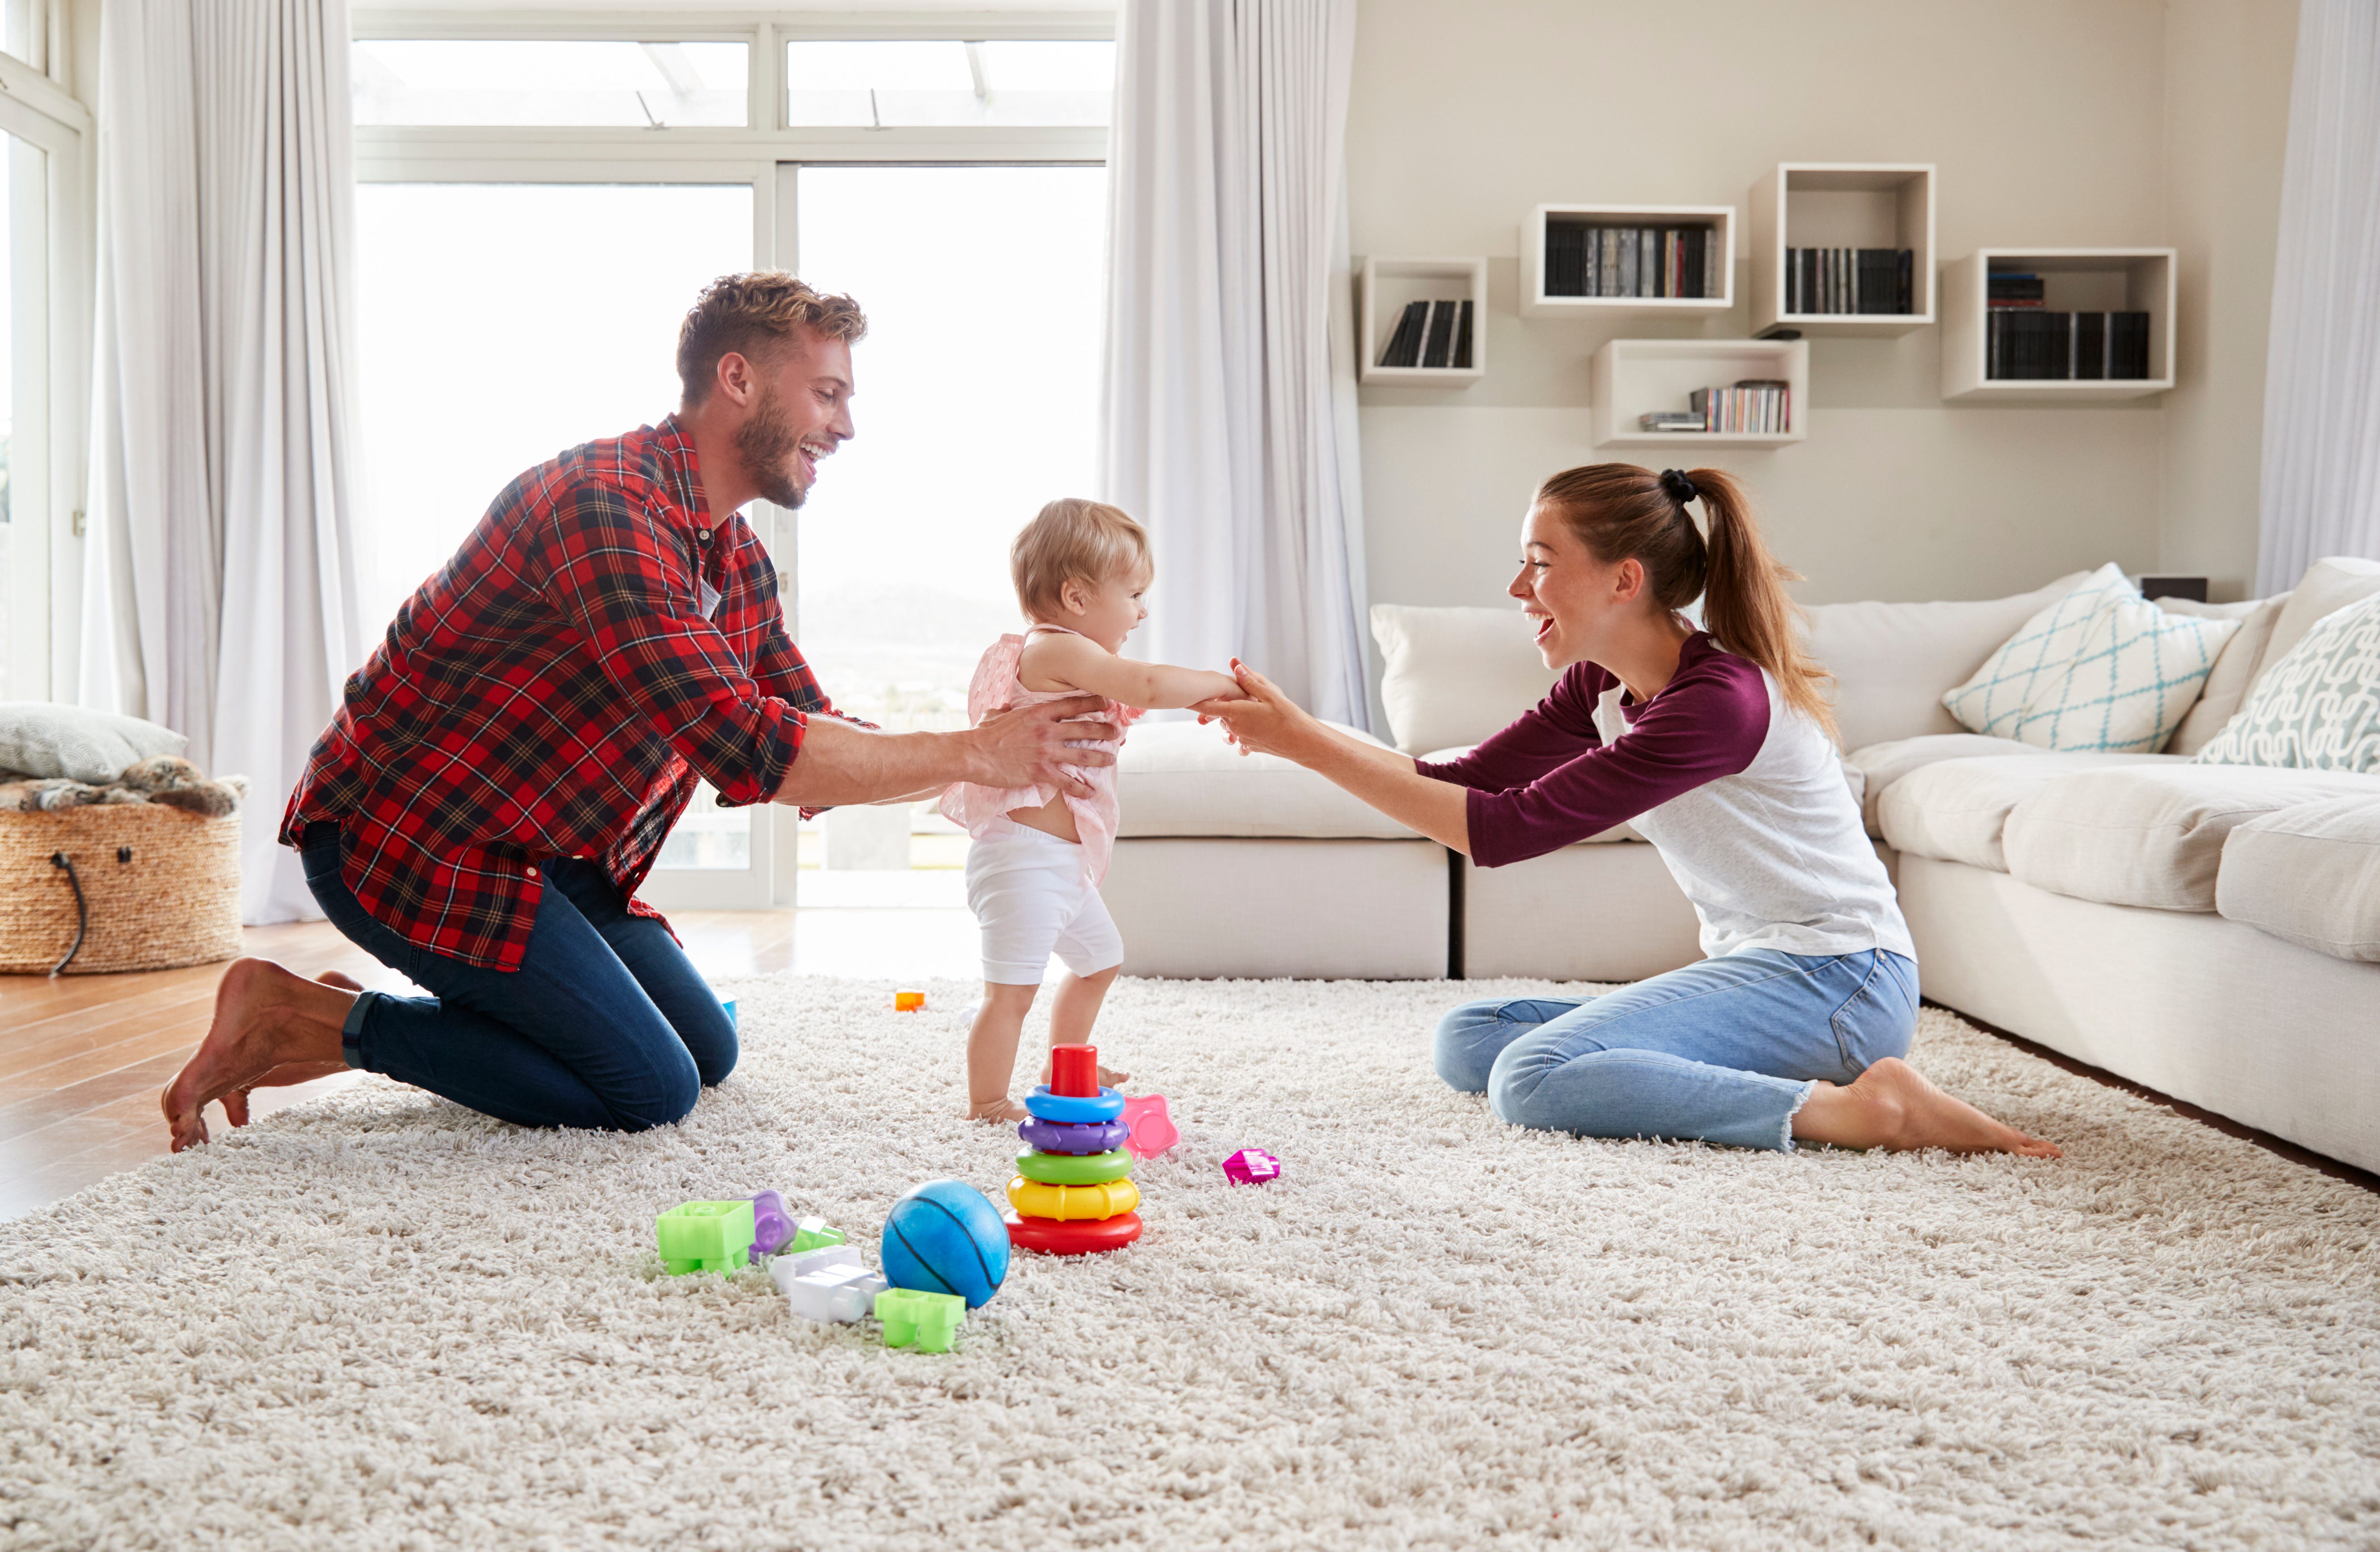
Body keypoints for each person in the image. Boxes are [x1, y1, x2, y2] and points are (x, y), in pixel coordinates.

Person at [158, 273, 1124, 1152]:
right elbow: (755, 753)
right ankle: (323, 1023)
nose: (846, 427)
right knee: (646, 1087)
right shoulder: (604, 508)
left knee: (707, 1052)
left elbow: (811, 726)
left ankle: (444, 1015)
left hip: (551, 858)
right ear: (738, 379)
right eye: (828, 394)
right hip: (410, 842)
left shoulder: (733, 559)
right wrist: (977, 753)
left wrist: (1002, 747)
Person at [1195, 462, 2060, 1159]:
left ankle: (1865, 1112)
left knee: (1532, 1078)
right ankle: (1796, 1083)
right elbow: (1466, 781)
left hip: (1840, 980)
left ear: (1624, 579)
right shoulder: (1604, 685)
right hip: (1766, 971)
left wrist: (1300, 742)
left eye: (1539, 561)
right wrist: (1296, 731)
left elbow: (1500, 831)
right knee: (1471, 1040)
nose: (1516, 587)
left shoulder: (1718, 701)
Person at [937, 499, 1242, 1124]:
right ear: (1076, 598)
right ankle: (987, 1101)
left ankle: (1063, 1065)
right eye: (1133, 594)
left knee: (1100, 962)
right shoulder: (1052, 650)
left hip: (1061, 865)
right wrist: (1221, 684)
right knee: (1010, 995)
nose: (1143, 610)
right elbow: (1148, 686)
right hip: (1022, 863)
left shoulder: (1069, 654)